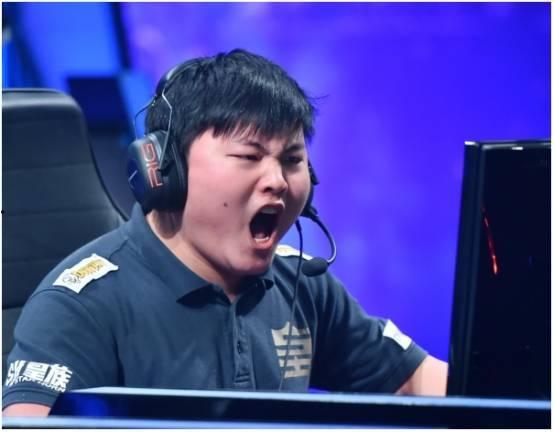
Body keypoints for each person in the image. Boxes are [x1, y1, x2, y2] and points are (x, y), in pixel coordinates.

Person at [3, 49, 447, 417]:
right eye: (249, 157)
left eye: (292, 160)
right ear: (166, 172)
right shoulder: (79, 306)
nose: (278, 181)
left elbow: (417, 381)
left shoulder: (301, 283)